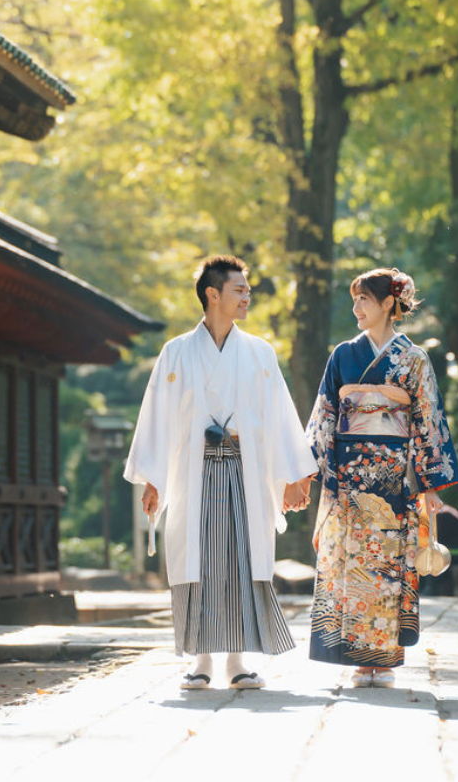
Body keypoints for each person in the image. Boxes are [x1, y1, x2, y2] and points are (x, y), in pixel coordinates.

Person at [124, 255, 316, 690]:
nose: (247, 296)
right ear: (213, 295)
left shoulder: (259, 352)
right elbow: (157, 416)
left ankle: (238, 661)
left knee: (241, 562)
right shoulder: (175, 352)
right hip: (194, 473)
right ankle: (201, 661)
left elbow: (280, 414)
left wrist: (293, 476)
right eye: (239, 290)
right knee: (200, 564)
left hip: (246, 471)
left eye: (247, 290)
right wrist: (154, 479)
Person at [306, 267, 458, 687]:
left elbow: (428, 419)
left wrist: (430, 485)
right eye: (354, 300)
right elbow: (324, 415)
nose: (356, 308)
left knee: (388, 563)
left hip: (394, 477)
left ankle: (385, 658)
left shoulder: (413, 360)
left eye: (364, 300)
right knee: (352, 563)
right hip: (350, 473)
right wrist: (309, 471)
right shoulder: (342, 355)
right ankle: (360, 658)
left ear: (388, 303)